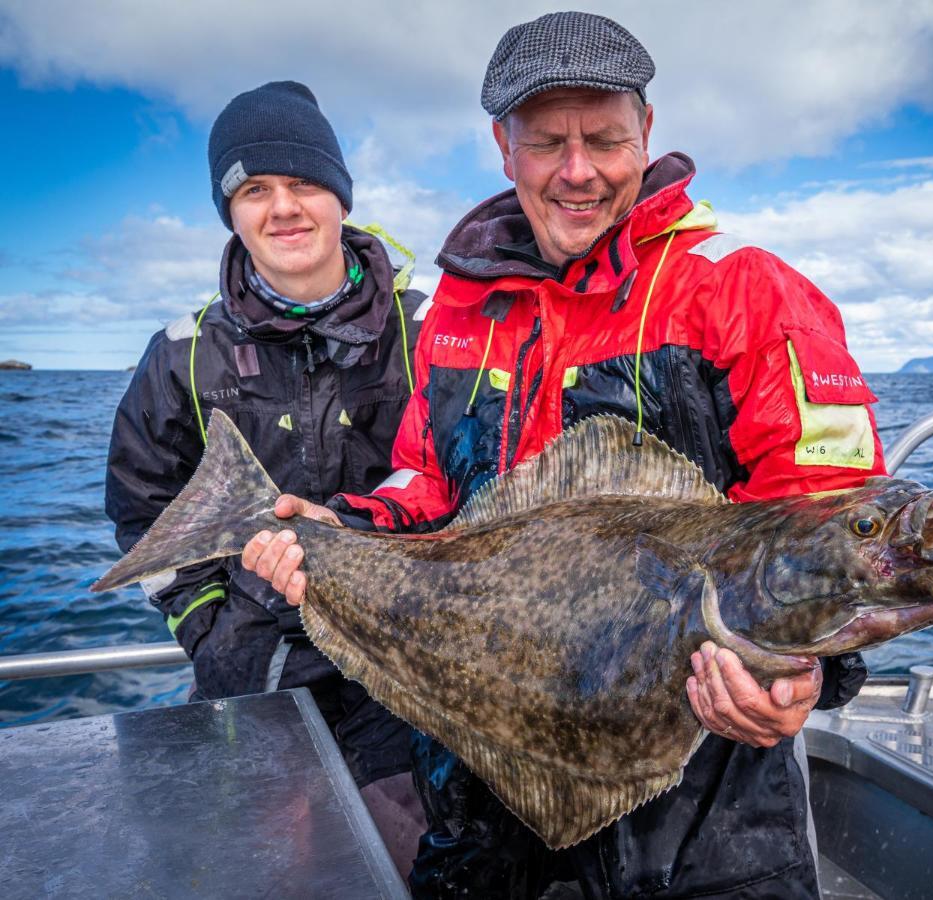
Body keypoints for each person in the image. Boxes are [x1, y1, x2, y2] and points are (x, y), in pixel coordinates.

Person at [246, 13, 882, 898]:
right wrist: (344, 525)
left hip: (700, 798)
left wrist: (810, 672)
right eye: (546, 143)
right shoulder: (462, 315)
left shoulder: (743, 290)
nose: (577, 170)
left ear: (647, 134)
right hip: (480, 782)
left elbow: (825, 521)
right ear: (503, 149)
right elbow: (426, 478)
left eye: (604, 139)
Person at [104, 81, 427, 875]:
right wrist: (212, 631)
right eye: (255, 190)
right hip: (254, 676)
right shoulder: (182, 351)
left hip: (409, 672)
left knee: (418, 865)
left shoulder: (429, 327)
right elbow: (144, 510)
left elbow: (470, 480)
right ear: (232, 212)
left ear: (340, 197)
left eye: (304, 183)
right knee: (262, 874)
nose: (283, 207)